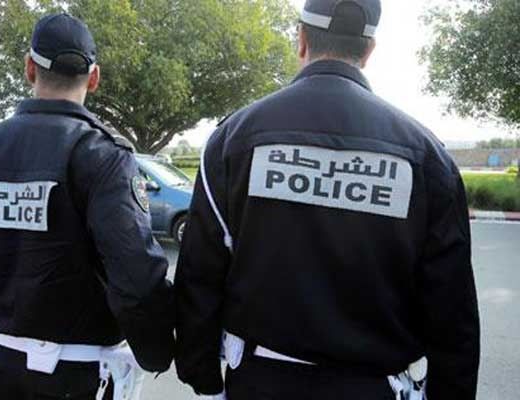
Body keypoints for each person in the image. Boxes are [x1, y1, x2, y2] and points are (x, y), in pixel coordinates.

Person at [174, 0, 480, 399]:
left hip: (259, 384)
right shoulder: (426, 156)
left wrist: (203, 376)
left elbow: (201, 272)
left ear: (301, 40)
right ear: (368, 51)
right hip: (374, 389)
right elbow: (452, 308)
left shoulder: (233, 140)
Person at [0, 13, 174, 400]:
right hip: (83, 378)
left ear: (29, 68)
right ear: (94, 78)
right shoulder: (102, 155)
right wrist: (157, 351)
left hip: (4, 372)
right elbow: (135, 275)